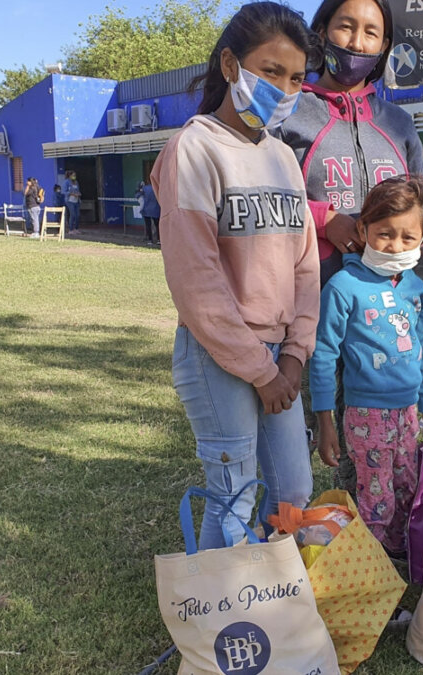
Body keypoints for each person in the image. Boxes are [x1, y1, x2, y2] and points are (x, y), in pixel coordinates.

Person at [152, 1, 321, 549]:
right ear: (231, 65)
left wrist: (294, 355)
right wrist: (260, 370)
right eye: (270, 71)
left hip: (281, 355)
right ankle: (222, 622)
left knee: (293, 490)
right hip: (218, 355)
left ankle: (278, 607)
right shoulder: (193, 149)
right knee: (234, 494)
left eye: (295, 77)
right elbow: (196, 280)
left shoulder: (283, 158)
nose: (284, 88)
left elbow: (305, 262)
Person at [280, 0, 423, 494]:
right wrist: (325, 219)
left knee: (376, 405)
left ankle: (371, 515)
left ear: (384, 47)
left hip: (384, 303)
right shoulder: (291, 111)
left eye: (371, 32)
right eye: (346, 26)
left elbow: (420, 204)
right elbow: (266, 197)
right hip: (314, 288)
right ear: (322, 31)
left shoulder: (399, 123)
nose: (357, 42)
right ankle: (323, 510)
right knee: (322, 399)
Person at [310, 175, 423, 555]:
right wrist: (323, 420)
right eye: (385, 233)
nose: (395, 245)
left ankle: (398, 558)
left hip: (409, 415)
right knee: (376, 498)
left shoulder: (418, 290)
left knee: (406, 488)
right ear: (363, 229)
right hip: (366, 416)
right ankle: (371, 570)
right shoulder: (343, 286)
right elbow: (323, 356)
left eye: (407, 237)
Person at [137, 178, 161, 246]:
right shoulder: (158, 188)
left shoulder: (144, 188)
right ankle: (159, 240)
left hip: (146, 209)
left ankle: (150, 240)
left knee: (148, 225)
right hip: (156, 209)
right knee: (158, 225)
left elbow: (138, 195)